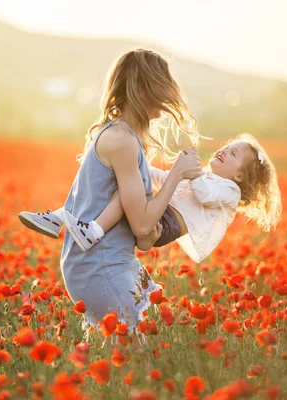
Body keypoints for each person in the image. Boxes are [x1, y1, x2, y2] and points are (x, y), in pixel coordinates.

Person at [20, 48, 203, 335]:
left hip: (107, 261)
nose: (168, 95)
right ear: (142, 91)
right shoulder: (121, 141)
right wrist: (178, 173)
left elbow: (142, 237)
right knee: (133, 358)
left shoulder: (126, 138)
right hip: (100, 265)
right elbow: (142, 225)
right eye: (161, 86)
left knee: (126, 357)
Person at [20, 133, 282, 264]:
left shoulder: (229, 192)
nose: (224, 150)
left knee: (126, 191)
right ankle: (57, 218)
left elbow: (205, 196)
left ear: (239, 176)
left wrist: (191, 173)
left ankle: (92, 230)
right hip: (160, 214)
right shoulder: (204, 175)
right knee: (122, 186)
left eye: (233, 154)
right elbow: (165, 178)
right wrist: (138, 163)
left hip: (164, 224)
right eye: (227, 147)